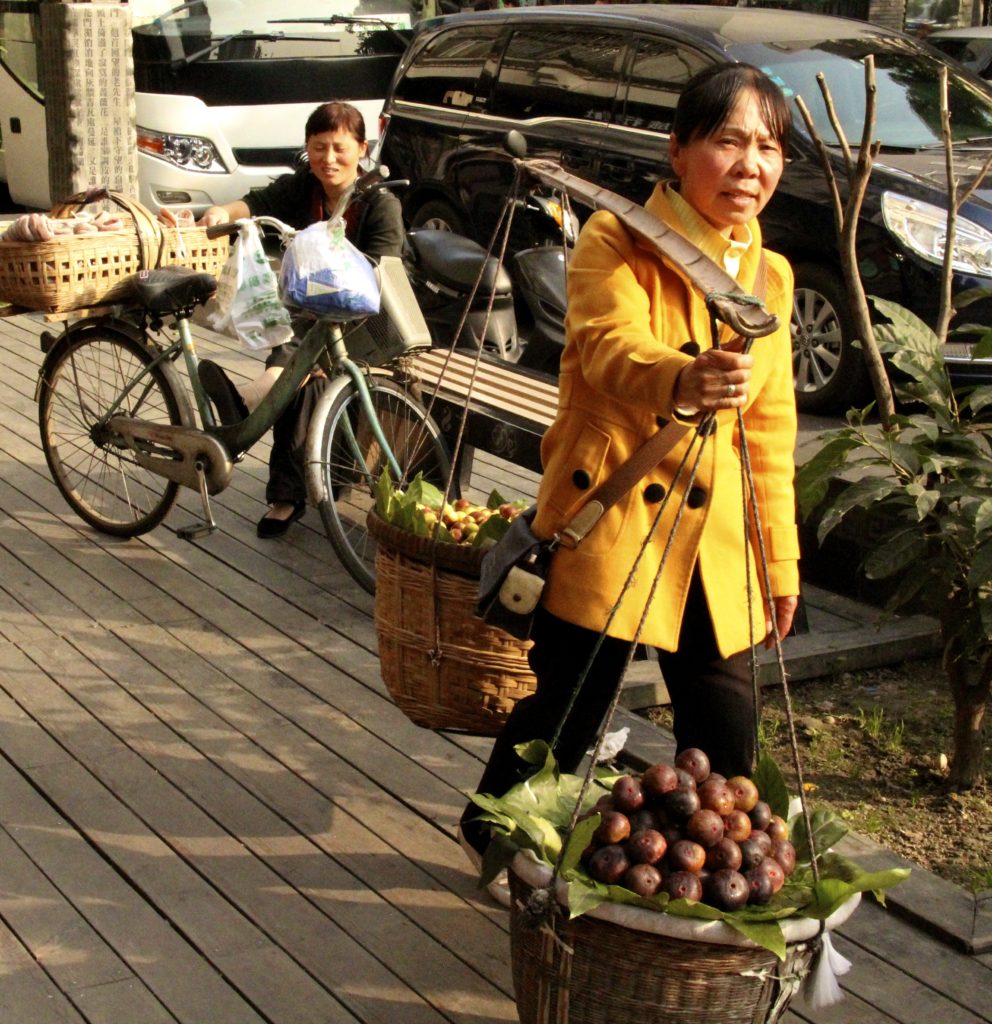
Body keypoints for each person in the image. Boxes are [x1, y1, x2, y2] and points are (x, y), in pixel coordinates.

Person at [460, 64, 800, 864]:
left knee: (727, 735)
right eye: (729, 142)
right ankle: (494, 832)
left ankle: (699, 884)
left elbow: (772, 435)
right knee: (567, 717)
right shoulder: (616, 240)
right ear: (679, 150)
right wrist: (681, 378)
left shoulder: (771, 277)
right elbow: (607, 348)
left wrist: (778, 562)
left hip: (714, 549)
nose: (752, 165)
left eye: (768, 146)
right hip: (612, 523)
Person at [193, 101, 404, 537]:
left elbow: (384, 277)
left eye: (339, 148)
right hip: (310, 319)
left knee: (299, 367)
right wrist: (220, 214)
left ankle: (249, 410)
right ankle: (285, 491)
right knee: (298, 362)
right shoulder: (302, 189)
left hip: (369, 322)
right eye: (318, 148)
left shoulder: (380, 204)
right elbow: (254, 202)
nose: (328, 159)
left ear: (361, 149)